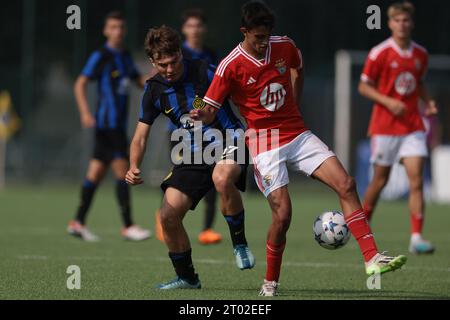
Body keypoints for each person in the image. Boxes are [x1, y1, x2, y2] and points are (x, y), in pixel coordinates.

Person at [192, 1, 407, 296]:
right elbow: (208, 107)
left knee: (346, 183)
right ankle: (270, 282)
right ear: (244, 32)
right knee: (283, 216)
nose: (263, 43)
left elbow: (297, 68)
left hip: (296, 132)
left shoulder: (285, 46)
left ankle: (372, 258)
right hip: (264, 142)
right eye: (257, 37)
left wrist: (295, 103)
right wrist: (197, 110)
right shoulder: (231, 64)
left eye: (267, 36)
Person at [126, 25, 255, 289]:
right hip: (193, 154)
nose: (170, 69)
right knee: (167, 216)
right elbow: (140, 136)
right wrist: (133, 166)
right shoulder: (153, 91)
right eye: (162, 65)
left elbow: (242, 95)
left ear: (180, 55)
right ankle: (187, 277)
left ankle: (239, 244)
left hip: (230, 140)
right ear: (152, 61)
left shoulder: (205, 70)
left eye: (173, 62)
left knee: (222, 179)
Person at [359, 1, 437, 254]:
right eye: (397, 20)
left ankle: (416, 238)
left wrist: (429, 102)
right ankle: (362, 228)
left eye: (406, 20)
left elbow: (419, 83)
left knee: (416, 180)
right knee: (380, 181)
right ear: (390, 23)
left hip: (412, 125)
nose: (401, 25)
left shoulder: (420, 54)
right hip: (384, 126)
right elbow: (364, 86)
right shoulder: (379, 53)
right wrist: (388, 101)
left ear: (411, 23)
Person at [67, 11, 151, 242]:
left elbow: (137, 80)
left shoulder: (124, 55)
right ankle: (128, 225)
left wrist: (157, 77)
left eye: (121, 27)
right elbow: (80, 83)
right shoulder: (100, 55)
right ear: (106, 30)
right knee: (123, 172)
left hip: (116, 126)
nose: (118, 31)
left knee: (94, 174)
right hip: (107, 125)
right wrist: (85, 112)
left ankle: (78, 222)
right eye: (113, 27)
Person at [154, 8, 222, 245]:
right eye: (190, 25)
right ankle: (164, 214)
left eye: (198, 25)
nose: (195, 29)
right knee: (180, 175)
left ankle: (207, 229)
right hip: (179, 131)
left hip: (209, 128)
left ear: (203, 29)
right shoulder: (175, 54)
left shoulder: (211, 55)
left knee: (216, 175)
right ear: (184, 29)